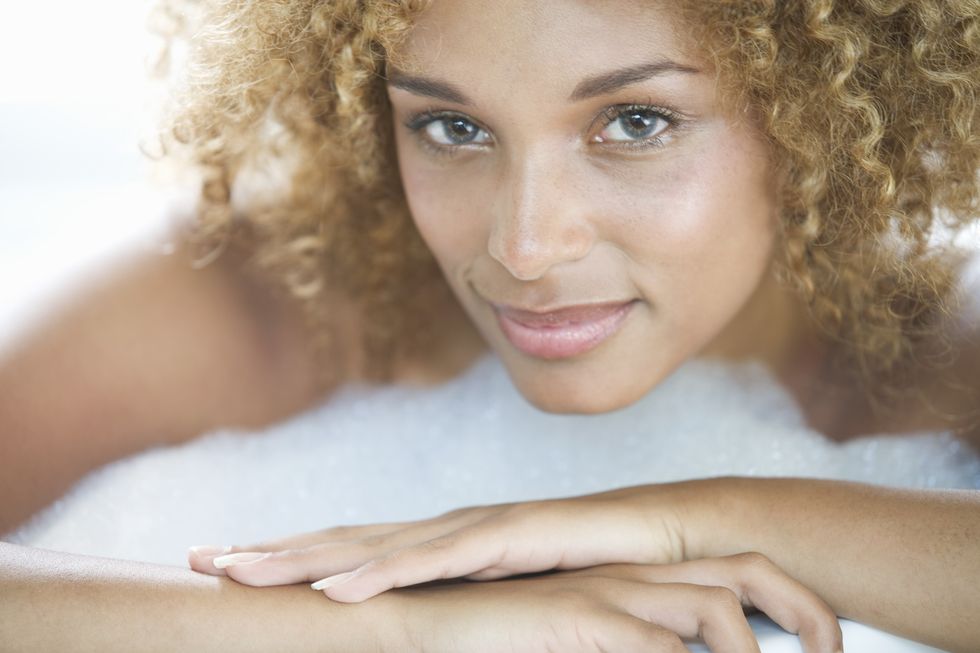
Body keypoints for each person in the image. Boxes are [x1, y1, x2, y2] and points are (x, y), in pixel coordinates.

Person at [1, 0, 977, 651]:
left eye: (634, 122)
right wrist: (396, 629)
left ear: (824, 123)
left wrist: (703, 514)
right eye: (451, 128)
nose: (523, 245)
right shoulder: (270, 302)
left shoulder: (943, 362)